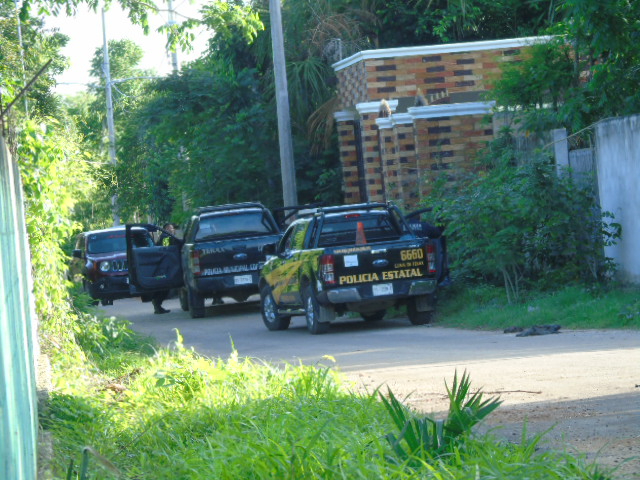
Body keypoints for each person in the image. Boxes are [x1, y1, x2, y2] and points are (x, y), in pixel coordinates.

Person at [152, 223, 178, 314]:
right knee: (165, 286)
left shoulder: (165, 236)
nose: (173, 229)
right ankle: (157, 304)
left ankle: (157, 305)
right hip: (166, 265)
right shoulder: (166, 237)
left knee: (165, 286)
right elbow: (167, 250)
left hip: (164, 265)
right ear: (166, 228)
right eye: (171, 228)